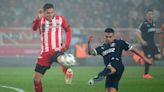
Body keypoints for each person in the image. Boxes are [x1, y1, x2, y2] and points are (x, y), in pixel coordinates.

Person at [87, 28, 152, 92]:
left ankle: (98, 77)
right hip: (109, 71)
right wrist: (89, 43)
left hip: (118, 66)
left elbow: (133, 50)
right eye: (107, 37)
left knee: (111, 66)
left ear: (113, 36)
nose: (108, 38)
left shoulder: (120, 43)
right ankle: (108, 71)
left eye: (110, 37)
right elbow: (90, 52)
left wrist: (145, 58)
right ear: (104, 37)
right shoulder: (101, 48)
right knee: (110, 90)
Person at [32, 3, 73, 92]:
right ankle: (67, 66)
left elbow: (68, 30)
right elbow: (34, 28)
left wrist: (67, 44)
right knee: (36, 79)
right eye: (48, 13)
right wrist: (37, 18)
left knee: (61, 58)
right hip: (44, 54)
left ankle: (67, 71)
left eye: (52, 12)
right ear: (43, 12)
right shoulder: (40, 20)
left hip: (56, 50)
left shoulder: (60, 19)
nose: (51, 15)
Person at [136, 9, 161, 79]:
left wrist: (159, 31)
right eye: (149, 14)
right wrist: (142, 41)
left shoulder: (153, 23)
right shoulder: (144, 23)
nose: (150, 15)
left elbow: (153, 31)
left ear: (153, 15)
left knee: (158, 56)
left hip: (152, 43)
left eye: (151, 14)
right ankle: (145, 74)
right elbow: (137, 32)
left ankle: (144, 58)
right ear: (146, 15)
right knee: (149, 59)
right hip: (146, 43)